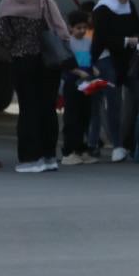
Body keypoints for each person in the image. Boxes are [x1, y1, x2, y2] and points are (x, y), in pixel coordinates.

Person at [0, 0, 70, 173]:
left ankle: (30, 158)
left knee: (28, 109)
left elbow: (2, 37)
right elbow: (62, 31)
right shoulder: (45, 2)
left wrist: (18, 44)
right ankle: (49, 157)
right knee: (48, 108)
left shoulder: (6, 5)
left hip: (23, 62)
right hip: (48, 63)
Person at [89, 0, 139, 162]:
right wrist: (127, 40)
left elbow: (138, 26)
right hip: (107, 59)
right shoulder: (102, 10)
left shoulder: (130, 7)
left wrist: (136, 40)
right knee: (113, 103)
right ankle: (117, 145)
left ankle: (134, 144)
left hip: (126, 61)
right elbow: (103, 38)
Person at [60, 9, 99, 165]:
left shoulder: (87, 42)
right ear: (71, 28)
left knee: (85, 116)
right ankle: (68, 151)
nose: (82, 31)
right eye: (78, 28)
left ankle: (80, 149)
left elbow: (87, 60)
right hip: (72, 82)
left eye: (84, 28)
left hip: (85, 82)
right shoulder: (68, 42)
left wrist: (93, 68)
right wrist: (78, 72)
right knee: (72, 117)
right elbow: (66, 64)